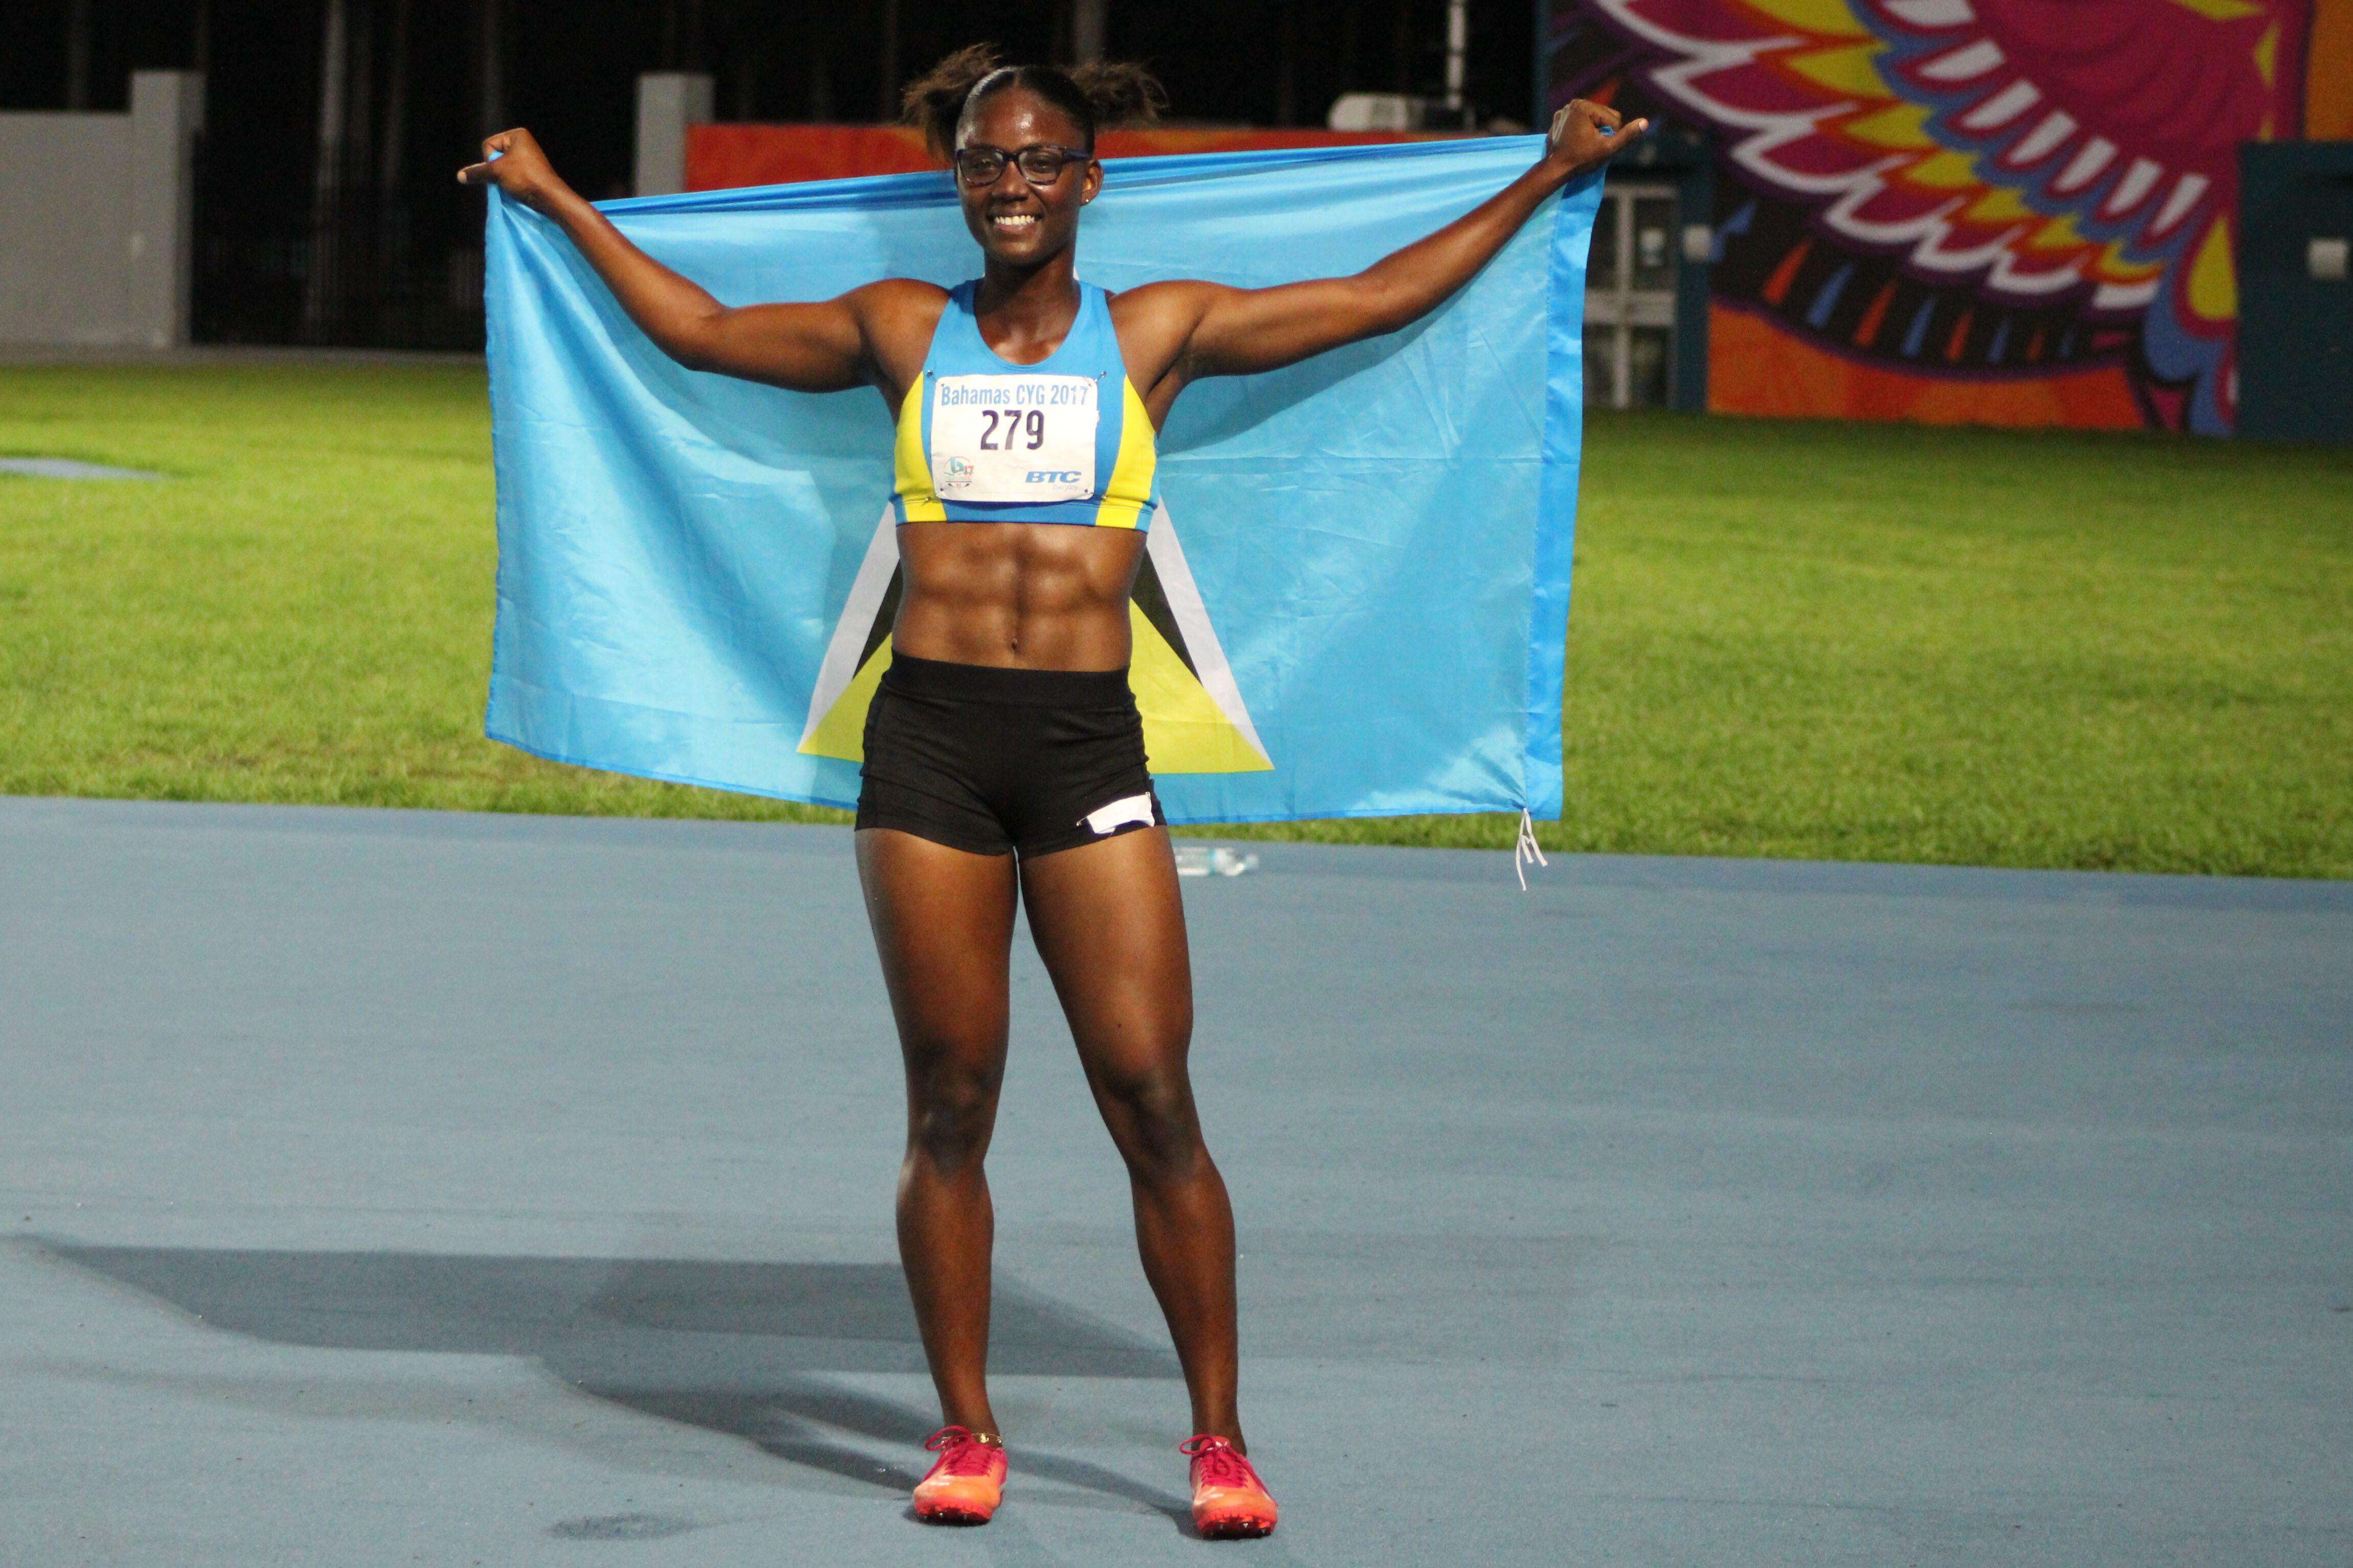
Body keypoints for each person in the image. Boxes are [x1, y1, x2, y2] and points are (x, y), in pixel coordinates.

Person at [461, 43, 1642, 1539]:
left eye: (1035, 161)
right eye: (982, 161)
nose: (1008, 184)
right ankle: (965, 1429)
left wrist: (1547, 174)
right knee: (951, 1101)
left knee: (1151, 1094)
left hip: (1085, 749)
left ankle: (1219, 1440)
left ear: (1089, 179)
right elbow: (696, 333)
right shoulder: (902, 327)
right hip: (930, 751)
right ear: (955, 179)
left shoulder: (1156, 331)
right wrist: (557, 198)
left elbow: (1376, 297)